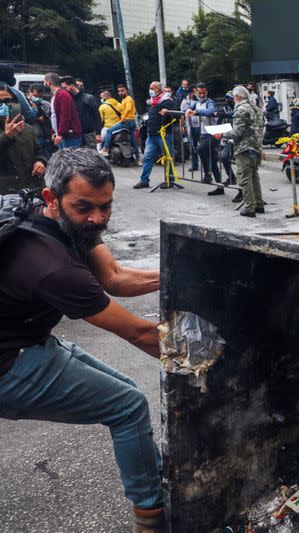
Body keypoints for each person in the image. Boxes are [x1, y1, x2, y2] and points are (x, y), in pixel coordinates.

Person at [0, 148, 164, 532]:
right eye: (85, 207)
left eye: (106, 206)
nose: (98, 218)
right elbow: (140, 333)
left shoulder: (72, 223)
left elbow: (114, 277)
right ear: (51, 199)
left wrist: (182, 269)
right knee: (127, 407)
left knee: (124, 389)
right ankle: (152, 516)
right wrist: (217, 364)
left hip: (29, 340)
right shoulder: (51, 266)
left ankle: (156, 478)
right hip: (8, 365)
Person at [213, 86, 264, 217]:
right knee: (254, 177)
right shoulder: (256, 108)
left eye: (234, 97)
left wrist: (221, 134)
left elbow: (237, 132)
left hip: (244, 148)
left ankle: (249, 208)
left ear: (238, 97)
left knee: (245, 179)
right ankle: (258, 204)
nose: (232, 99)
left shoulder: (241, 109)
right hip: (256, 147)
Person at [0, 83, 47, 194]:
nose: (3, 105)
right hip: (4, 195)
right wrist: (6, 137)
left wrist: (40, 161)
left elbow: (39, 152)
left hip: (29, 190)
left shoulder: (26, 128)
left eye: (7, 100)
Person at [134, 81, 179, 190]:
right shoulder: (153, 102)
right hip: (152, 135)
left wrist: (167, 111)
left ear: (159, 89)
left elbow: (176, 113)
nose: (150, 90)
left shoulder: (167, 100)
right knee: (147, 158)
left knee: (168, 158)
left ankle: (169, 180)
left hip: (163, 135)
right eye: (150, 88)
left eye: (152, 88)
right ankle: (144, 180)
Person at [184, 83, 223, 192]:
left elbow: (210, 111)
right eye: (199, 93)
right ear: (196, 92)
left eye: (203, 93)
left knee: (200, 149)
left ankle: (207, 174)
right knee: (213, 161)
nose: (202, 95)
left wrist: (197, 112)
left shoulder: (209, 102)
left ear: (206, 92)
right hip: (203, 134)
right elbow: (187, 108)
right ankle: (220, 187)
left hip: (212, 134)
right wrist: (188, 109)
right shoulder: (196, 103)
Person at [44, 72, 82, 149]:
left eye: (44, 81)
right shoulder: (57, 95)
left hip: (69, 136)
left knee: (70, 160)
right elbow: (54, 116)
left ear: (49, 83)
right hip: (63, 135)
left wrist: (60, 133)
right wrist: (54, 132)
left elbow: (65, 115)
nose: (43, 84)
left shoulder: (63, 95)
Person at [62, 77, 101, 149]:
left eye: (65, 87)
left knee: (92, 155)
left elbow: (96, 116)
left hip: (89, 133)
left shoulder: (89, 98)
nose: (63, 90)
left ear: (72, 86)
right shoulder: (68, 99)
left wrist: (98, 133)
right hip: (75, 134)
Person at [102, 85, 139, 160]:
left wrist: (122, 118)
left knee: (109, 131)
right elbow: (121, 109)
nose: (120, 92)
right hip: (131, 122)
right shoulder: (124, 100)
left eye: (122, 90)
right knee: (133, 140)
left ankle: (105, 149)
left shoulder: (128, 99)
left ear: (126, 90)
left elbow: (128, 109)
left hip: (127, 121)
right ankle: (137, 159)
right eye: (119, 91)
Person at [213, 92, 236, 186]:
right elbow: (219, 121)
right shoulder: (224, 109)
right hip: (227, 136)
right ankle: (231, 177)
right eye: (227, 99)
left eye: (230, 99)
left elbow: (234, 115)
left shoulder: (240, 108)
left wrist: (224, 115)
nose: (228, 101)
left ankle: (241, 187)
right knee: (223, 157)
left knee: (239, 161)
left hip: (238, 136)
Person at [28, 83, 54, 159]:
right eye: (35, 96)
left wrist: (46, 118)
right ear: (29, 92)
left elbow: (52, 120)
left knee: (48, 158)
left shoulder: (46, 104)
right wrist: (34, 111)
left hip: (46, 136)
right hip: (34, 137)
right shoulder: (26, 105)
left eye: (40, 96)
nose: (38, 98)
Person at [180, 88, 201, 172]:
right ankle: (194, 164)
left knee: (203, 146)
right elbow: (182, 114)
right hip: (190, 126)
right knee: (193, 146)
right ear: (191, 93)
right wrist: (182, 126)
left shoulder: (201, 100)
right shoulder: (185, 101)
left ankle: (206, 166)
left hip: (200, 126)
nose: (196, 93)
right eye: (194, 92)